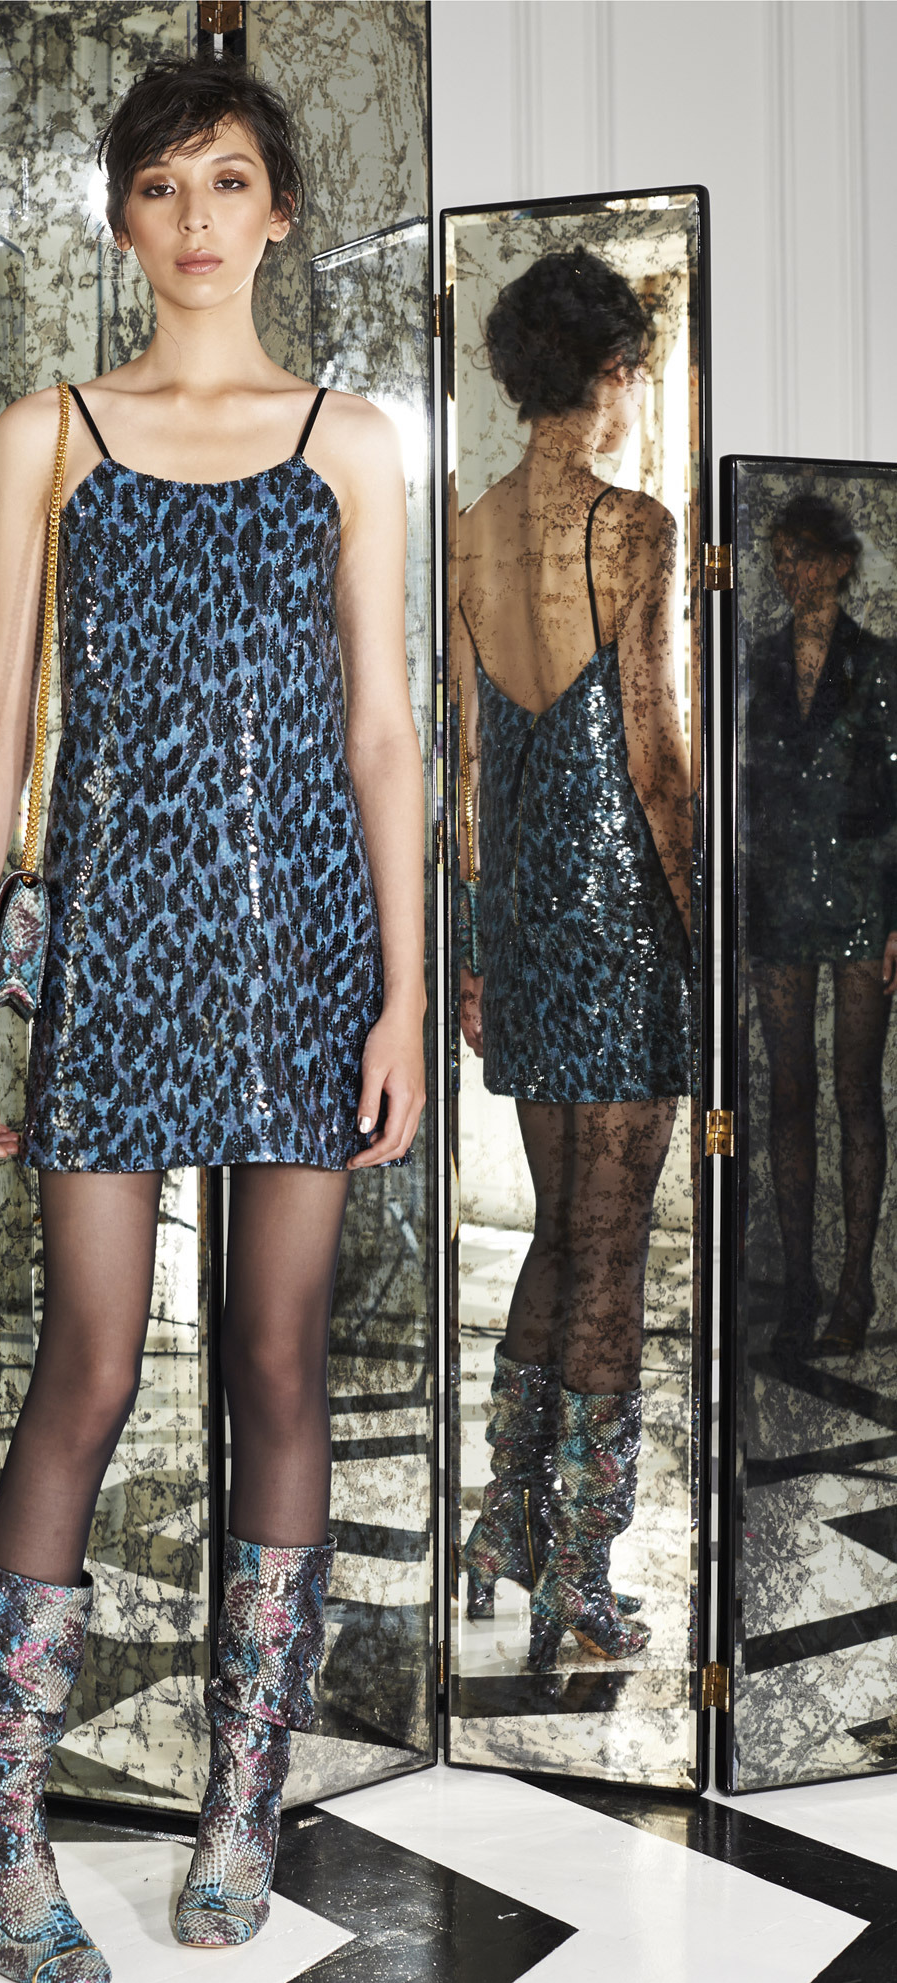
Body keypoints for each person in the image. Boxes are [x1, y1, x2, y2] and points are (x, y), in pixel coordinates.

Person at [0, 55, 424, 1983]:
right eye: (160, 185)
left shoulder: (348, 441)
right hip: (115, 945)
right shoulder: (48, 431)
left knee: (279, 1362)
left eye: (228, 179)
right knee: (88, 1359)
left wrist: (403, 986)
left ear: (275, 210)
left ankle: (244, 1808)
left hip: (305, 946)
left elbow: (382, 734)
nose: (197, 216)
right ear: (121, 218)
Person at [454, 248, 693, 1674]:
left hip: (526, 925)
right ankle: (581, 1580)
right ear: (607, 374)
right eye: (631, 373)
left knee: (558, 1232)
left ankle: (505, 1522)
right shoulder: (633, 527)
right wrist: (701, 915)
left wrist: (475, 949)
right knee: (611, 1256)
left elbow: (467, 776)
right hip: (620, 920)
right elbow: (654, 754)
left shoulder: (471, 528)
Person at [746, 494, 897, 1358]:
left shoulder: (879, 663)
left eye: (800, 554)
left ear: (839, 563)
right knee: (789, 1094)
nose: (787, 570)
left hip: (863, 892)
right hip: (777, 895)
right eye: (778, 556)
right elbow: (746, 786)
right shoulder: (760, 660)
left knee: (855, 1091)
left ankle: (854, 1289)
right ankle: (801, 1285)